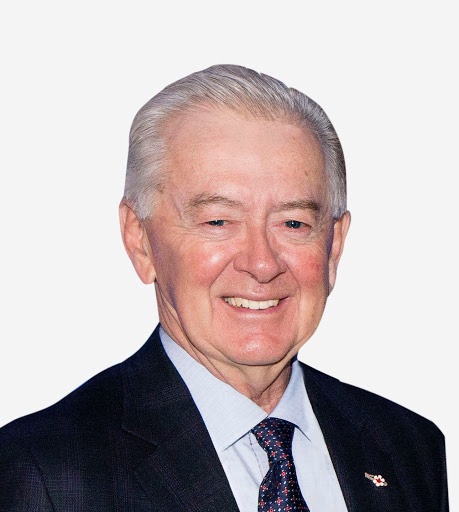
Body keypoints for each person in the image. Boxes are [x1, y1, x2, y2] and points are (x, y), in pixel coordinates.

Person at [0, 64, 448, 511]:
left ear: (334, 247)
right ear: (140, 241)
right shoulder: (45, 472)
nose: (262, 263)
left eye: (293, 223)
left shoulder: (408, 448)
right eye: (218, 221)